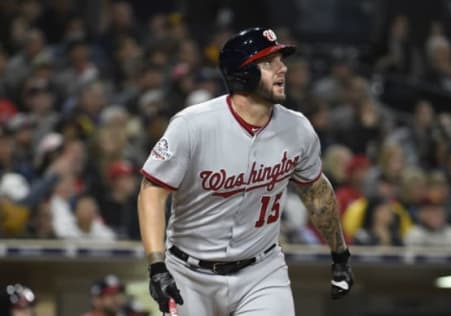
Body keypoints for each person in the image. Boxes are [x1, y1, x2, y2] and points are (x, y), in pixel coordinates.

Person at [137, 26, 354, 316]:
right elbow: (152, 192)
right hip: (189, 274)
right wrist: (156, 266)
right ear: (243, 73)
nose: (283, 69)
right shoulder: (193, 125)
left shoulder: (297, 128)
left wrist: (340, 253)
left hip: (261, 272)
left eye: (281, 60)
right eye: (269, 62)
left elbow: (316, 191)